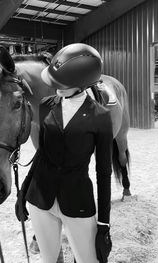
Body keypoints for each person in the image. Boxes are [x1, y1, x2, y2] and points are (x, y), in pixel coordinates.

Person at [15, 43, 113, 263]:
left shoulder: (101, 116)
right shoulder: (46, 105)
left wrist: (104, 223)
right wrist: (24, 190)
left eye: (62, 83)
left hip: (77, 202)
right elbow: (42, 154)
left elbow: (103, 172)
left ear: (81, 83)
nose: (54, 86)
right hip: (40, 199)